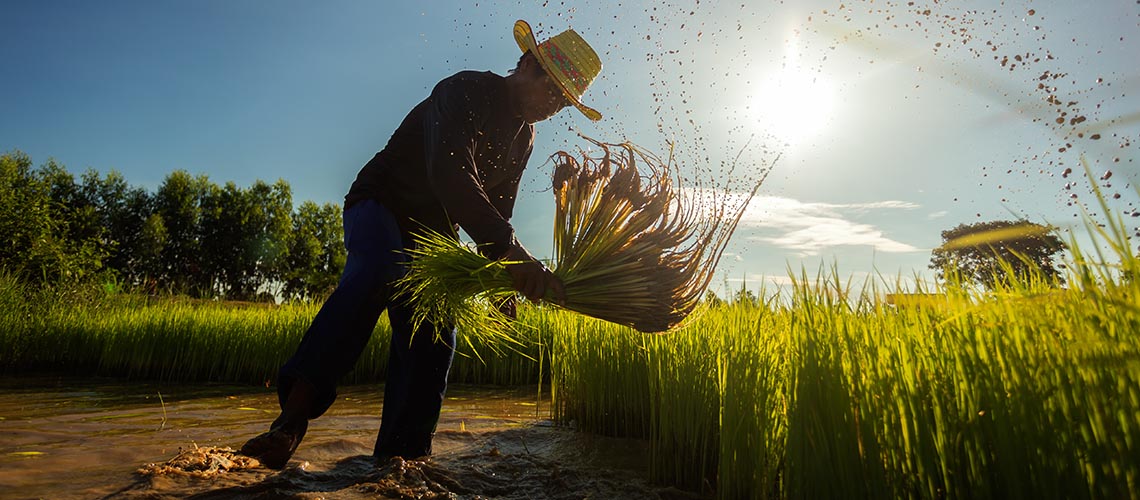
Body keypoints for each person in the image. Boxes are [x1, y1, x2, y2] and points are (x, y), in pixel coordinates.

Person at [239, 20, 603, 469]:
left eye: (564, 103)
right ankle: (289, 424)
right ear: (528, 65)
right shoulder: (464, 91)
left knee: (436, 335)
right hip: (382, 203)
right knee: (376, 273)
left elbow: (498, 211)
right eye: (552, 92)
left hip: (434, 237)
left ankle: (400, 462)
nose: (554, 108)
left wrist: (501, 281)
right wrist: (513, 255)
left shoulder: (524, 140)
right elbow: (450, 175)